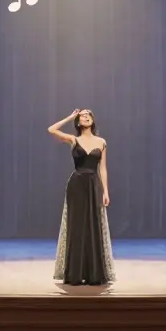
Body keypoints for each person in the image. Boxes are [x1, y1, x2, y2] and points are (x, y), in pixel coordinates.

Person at [47, 108, 115, 285]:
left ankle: (94, 273)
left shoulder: (101, 142)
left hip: (93, 185)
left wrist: (106, 191)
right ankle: (75, 274)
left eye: (88, 115)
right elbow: (51, 130)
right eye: (82, 115)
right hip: (76, 185)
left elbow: (102, 168)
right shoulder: (73, 139)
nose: (85, 117)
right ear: (78, 121)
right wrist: (70, 116)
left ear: (93, 120)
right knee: (76, 227)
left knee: (93, 226)